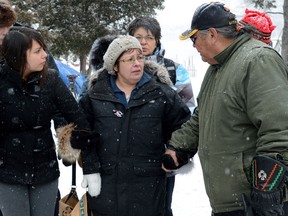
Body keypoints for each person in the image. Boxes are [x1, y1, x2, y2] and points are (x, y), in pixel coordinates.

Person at [163, 2, 288, 216]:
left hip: (255, 203)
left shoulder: (258, 60)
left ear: (211, 34)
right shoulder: (217, 67)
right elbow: (201, 117)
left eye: (194, 39)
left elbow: (279, 127)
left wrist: (267, 188)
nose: (193, 45)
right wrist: (179, 148)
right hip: (228, 202)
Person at [62, 35, 191, 216]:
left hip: (148, 189)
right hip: (105, 188)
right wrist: (91, 168)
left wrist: (177, 152)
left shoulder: (161, 94)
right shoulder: (95, 95)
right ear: (115, 66)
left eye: (140, 57)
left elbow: (186, 127)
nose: (137, 63)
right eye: (129, 59)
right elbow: (80, 135)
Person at [0, 26, 95, 216]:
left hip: (45, 169)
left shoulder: (50, 79)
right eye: (37, 51)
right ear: (19, 56)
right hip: (7, 171)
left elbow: (75, 117)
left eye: (44, 49)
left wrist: (70, 142)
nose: (45, 55)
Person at [127, 16, 196, 216]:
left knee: (161, 208)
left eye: (149, 37)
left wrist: (175, 149)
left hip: (161, 155)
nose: (143, 42)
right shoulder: (117, 69)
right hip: (124, 154)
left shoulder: (174, 71)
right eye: (137, 37)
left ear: (157, 40)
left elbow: (188, 114)